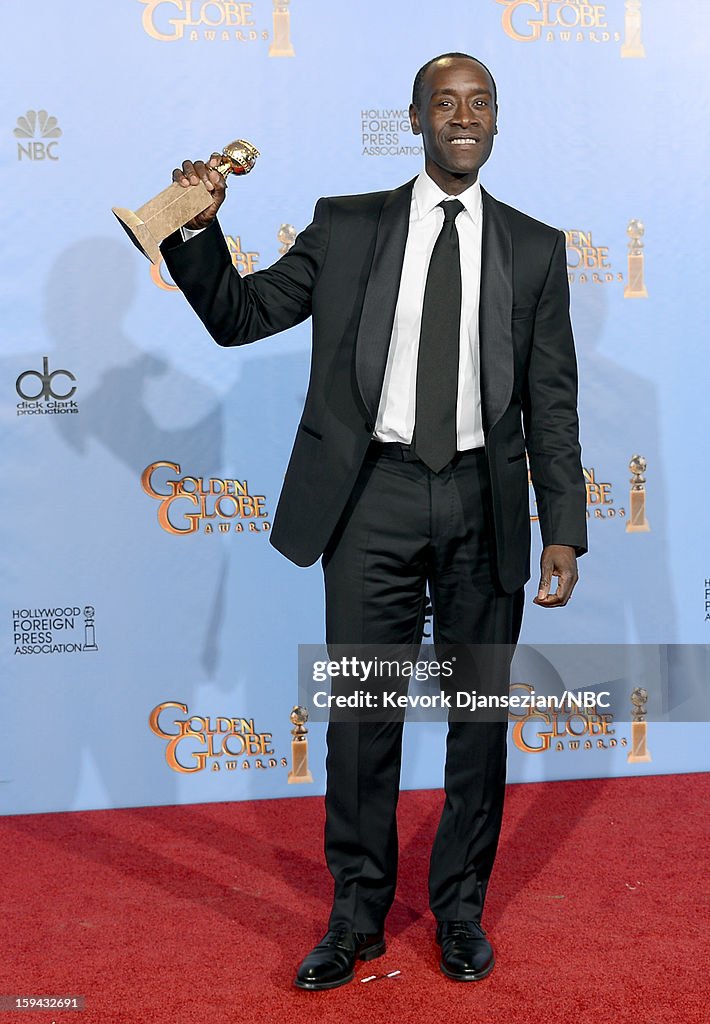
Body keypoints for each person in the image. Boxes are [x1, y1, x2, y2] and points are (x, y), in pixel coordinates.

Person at [161, 52, 587, 989]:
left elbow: (552, 403)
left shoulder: (533, 246)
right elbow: (241, 316)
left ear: (497, 122)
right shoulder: (347, 226)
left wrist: (563, 526)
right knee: (362, 717)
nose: (463, 118)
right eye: (446, 103)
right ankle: (354, 916)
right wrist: (200, 235)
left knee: (477, 719)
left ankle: (461, 914)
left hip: (485, 501)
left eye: (480, 104)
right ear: (416, 118)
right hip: (372, 498)